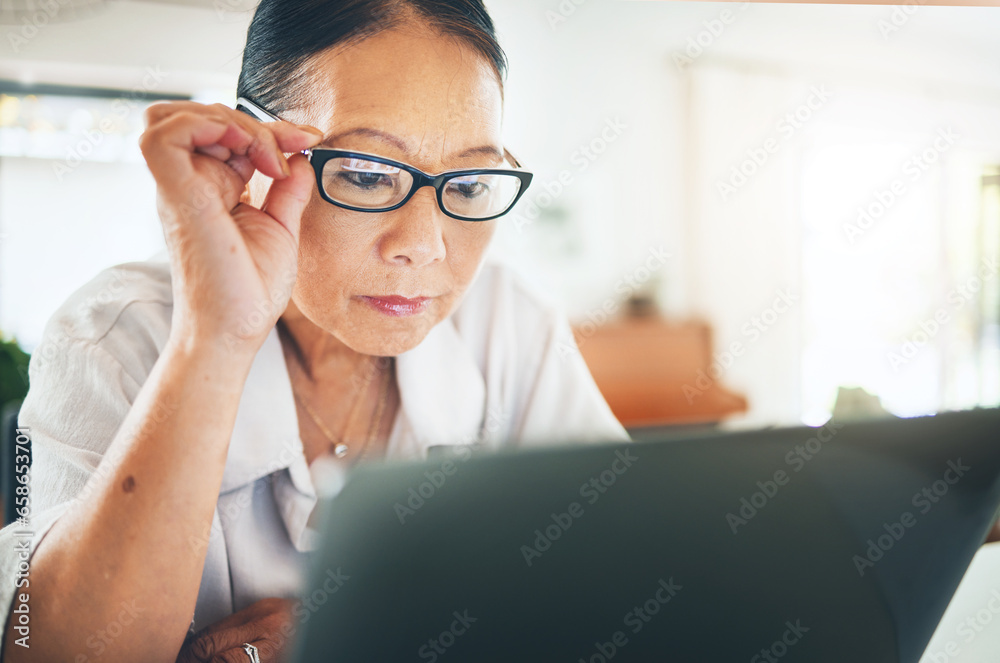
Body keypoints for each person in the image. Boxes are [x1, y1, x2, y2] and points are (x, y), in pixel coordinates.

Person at [0, 0, 628, 661]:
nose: (424, 245)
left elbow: (627, 576)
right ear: (257, 152)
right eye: (365, 174)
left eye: (469, 183)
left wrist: (374, 630)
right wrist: (215, 335)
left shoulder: (508, 321)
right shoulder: (112, 336)